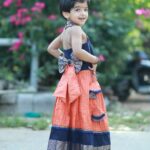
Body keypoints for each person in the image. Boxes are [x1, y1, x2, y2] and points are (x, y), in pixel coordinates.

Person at [47, 0, 111, 149]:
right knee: (84, 112)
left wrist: (66, 59)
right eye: (77, 10)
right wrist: (94, 59)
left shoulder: (66, 31)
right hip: (82, 78)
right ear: (66, 13)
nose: (83, 13)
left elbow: (51, 48)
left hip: (71, 79)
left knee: (72, 114)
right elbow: (77, 51)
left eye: (85, 9)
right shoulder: (75, 30)